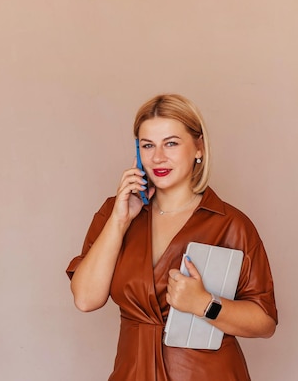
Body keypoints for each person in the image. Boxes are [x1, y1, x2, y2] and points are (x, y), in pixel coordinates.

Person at [66, 94, 278, 381]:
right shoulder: (114, 213)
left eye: (171, 143)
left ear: (198, 147)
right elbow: (86, 299)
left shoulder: (230, 224)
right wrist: (120, 220)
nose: (158, 158)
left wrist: (204, 303)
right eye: (148, 145)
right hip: (132, 372)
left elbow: (264, 322)